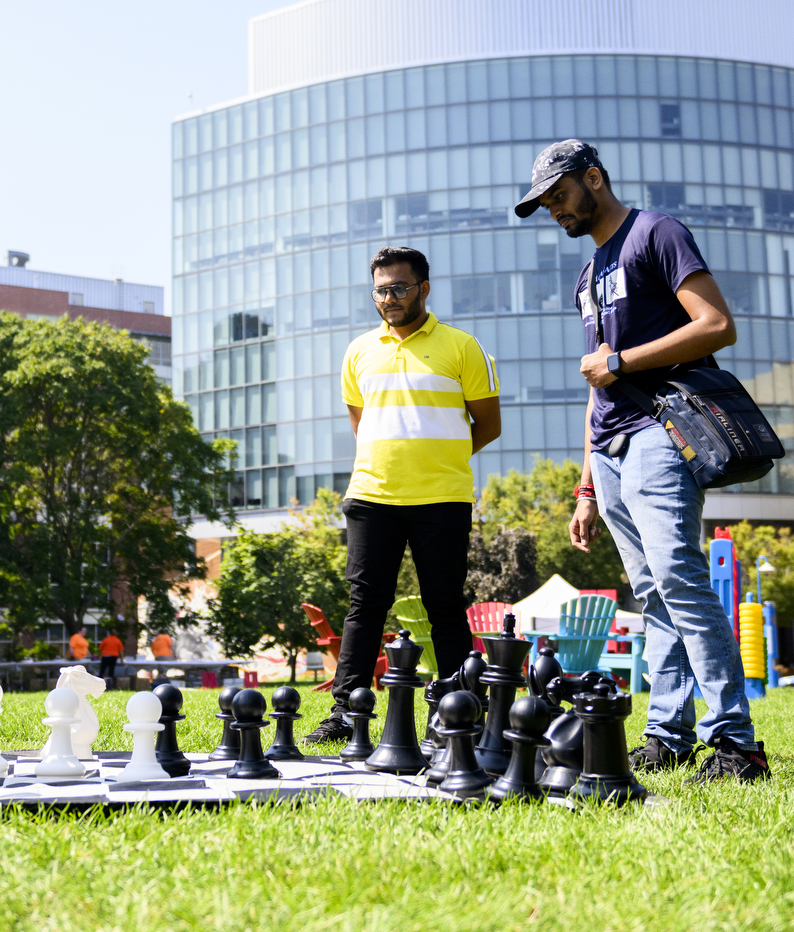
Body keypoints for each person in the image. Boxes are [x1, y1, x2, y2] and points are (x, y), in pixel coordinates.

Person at [518, 139, 769, 783]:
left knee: (680, 579)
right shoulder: (587, 274)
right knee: (652, 592)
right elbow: (596, 383)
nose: (553, 210)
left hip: (661, 432)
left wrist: (624, 360)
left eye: (559, 195)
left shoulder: (656, 233)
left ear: (594, 178)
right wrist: (584, 487)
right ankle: (667, 733)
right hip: (609, 450)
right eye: (544, 203)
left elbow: (717, 325)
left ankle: (735, 742)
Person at [303, 245, 501, 745]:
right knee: (364, 606)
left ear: (424, 289)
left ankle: (461, 711)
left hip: (442, 497)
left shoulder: (463, 347)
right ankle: (346, 713)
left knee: (444, 606)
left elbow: (489, 425)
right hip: (372, 495)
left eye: (399, 288)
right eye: (381, 289)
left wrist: (440, 459)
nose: (389, 298)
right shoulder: (359, 351)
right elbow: (362, 423)